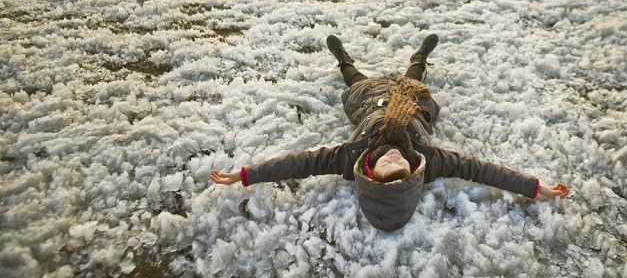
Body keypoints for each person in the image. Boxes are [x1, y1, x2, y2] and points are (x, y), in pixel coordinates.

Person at [210, 35, 569, 231]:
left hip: (368, 105)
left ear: (370, 173)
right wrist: (534, 187)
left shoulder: (350, 157)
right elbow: (481, 170)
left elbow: (300, 164)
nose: (395, 159)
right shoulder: (429, 161)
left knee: (355, 82)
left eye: (386, 170)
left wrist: (244, 175)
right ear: (413, 173)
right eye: (402, 169)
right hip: (411, 105)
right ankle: (421, 55)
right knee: (414, 79)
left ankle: (343, 59)